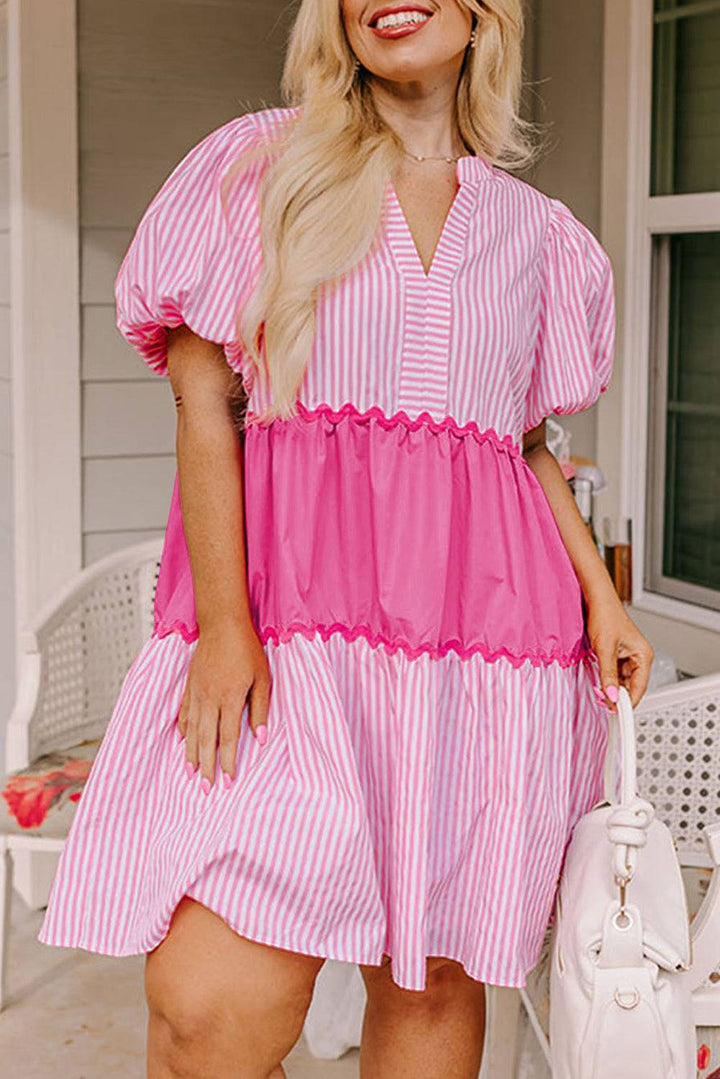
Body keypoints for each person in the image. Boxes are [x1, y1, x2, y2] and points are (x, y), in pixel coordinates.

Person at [38, 0, 655, 1076]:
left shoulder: (538, 234)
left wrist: (601, 596)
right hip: (286, 636)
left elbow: (519, 441)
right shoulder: (256, 170)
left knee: (430, 977)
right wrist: (227, 626)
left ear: (482, 13)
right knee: (207, 1007)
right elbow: (201, 400)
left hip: (479, 651)